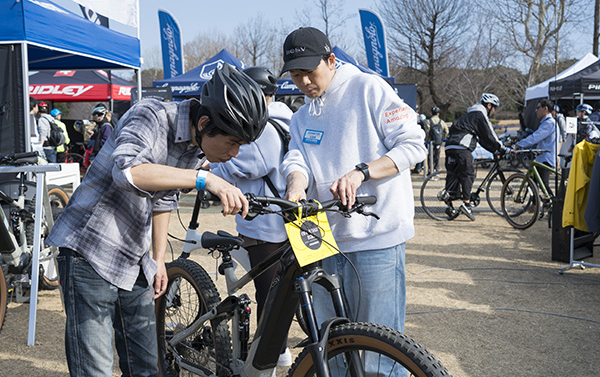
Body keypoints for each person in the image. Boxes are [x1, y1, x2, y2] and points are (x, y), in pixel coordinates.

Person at [46, 63, 268, 377]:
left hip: (133, 258)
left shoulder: (195, 145)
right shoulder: (150, 115)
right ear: (204, 122)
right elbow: (128, 172)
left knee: (147, 367)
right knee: (94, 369)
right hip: (89, 248)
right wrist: (205, 179)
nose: (234, 153)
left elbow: (164, 198)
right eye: (232, 142)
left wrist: (159, 258)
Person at [279, 27, 426, 376]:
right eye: (295, 75)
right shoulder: (301, 115)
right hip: (320, 240)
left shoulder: (368, 88)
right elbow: (297, 158)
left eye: (309, 72)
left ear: (331, 60)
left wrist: (362, 172)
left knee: (380, 353)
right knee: (329, 347)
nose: (303, 82)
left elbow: (413, 144)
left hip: (375, 238)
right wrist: (296, 181)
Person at [209, 66, 294, 367]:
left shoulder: (265, 127)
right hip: (287, 219)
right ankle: (278, 352)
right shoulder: (289, 119)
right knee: (282, 291)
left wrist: (213, 169)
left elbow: (245, 165)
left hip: (265, 224)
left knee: (269, 295)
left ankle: (268, 360)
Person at [444, 93, 506, 221]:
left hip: (450, 146)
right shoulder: (480, 114)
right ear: (489, 105)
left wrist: (494, 150)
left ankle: (449, 205)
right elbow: (490, 135)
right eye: (494, 108)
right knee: (468, 173)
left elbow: (481, 140)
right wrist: (502, 148)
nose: (494, 111)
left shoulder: (469, 116)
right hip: (461, 147)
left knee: (454, 174)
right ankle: (466, 204)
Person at [512, 99, 557, 197]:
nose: (536, 110)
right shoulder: (546, 122)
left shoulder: (549, 123)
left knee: (544, 185)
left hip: (546, 158)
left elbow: (535, 137)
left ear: (545, 109)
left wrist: (519, 145)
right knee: (533, 183)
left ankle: (553, 204)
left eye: (538, 108)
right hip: (541, 158)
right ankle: (534, 203)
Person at [424, 106, 449, 173]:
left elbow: (427, 132)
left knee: (430, 156)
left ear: (432, 113)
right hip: (438, 141)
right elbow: (446, 131)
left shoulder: (428, 121)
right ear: (438, 113)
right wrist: (443, 137)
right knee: (437, 155)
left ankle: (430, 170)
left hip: (430, 141)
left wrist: (427, 139)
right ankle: (437, 169)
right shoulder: (441, 121)